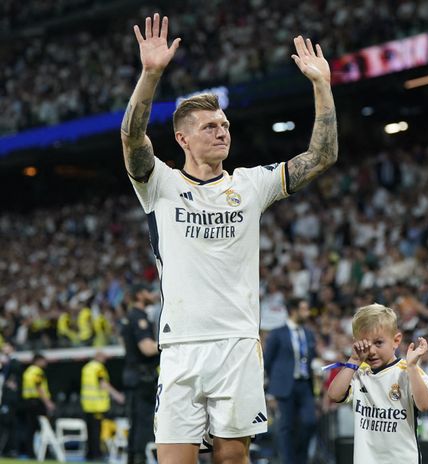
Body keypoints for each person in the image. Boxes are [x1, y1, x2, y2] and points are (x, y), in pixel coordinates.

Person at [120, 13, 337, 464]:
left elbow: (322, 155)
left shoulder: (250, 184)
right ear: (182, 138)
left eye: (224, 125)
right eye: (210, 127)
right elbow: (131, 136)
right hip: (180, 345)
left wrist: (321, 85)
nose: (222, 132)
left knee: (232, 460)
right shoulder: (159, 183)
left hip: (237, 345)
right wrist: (150, 74)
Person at [326, 304, 428, 463]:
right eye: (366, 345)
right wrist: (354, 360)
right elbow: (334, 395)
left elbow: (425, 405)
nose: (372, 351)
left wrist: (412, 367)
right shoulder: (358, 372)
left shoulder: (407, 371)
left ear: (396, 340)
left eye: (378, 343)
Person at [262, 298, 317, 464]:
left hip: (305, 384)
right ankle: (287, 461)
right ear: (293, 310)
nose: (307, 313)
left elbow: (311, 358)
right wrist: (272, 389)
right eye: (304, 309)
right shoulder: (277, 333)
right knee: (286, 426)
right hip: (284, 386)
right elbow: (268, 361)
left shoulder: (308, 333)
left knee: (309, 422)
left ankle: (300, 460)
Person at [119, 283, 160, 464]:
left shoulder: (130, 317)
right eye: (149, 292)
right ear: (140, 295)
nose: (153, 295)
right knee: (143, 422)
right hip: (142, 378)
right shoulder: (138, 317)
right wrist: (168, 343)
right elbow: (147, 349)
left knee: (136, 422)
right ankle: (138, 458)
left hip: (134, 376)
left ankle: (133, 457)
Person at [81, 351, 126, 461]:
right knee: (97, 431)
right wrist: (117, 395)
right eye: (103, 357)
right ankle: (97, 454)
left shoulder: (86, 368)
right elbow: (103, 384)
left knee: (90, 430)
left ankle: (90, 454)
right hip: (97, 405)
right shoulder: (99, 368)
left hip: (87, 405)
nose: (105, 359)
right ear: (98, 357)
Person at [20, 353, 55, 458]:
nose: (45, 363)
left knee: (31, 429)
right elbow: (39, 387)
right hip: (37, 403)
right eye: (43, 361)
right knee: (44, 428)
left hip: (28, 402)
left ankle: (31, 452)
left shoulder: (28, 371)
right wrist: (48, 402)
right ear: (38, 360)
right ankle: (46, 453)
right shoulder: (37, 371)